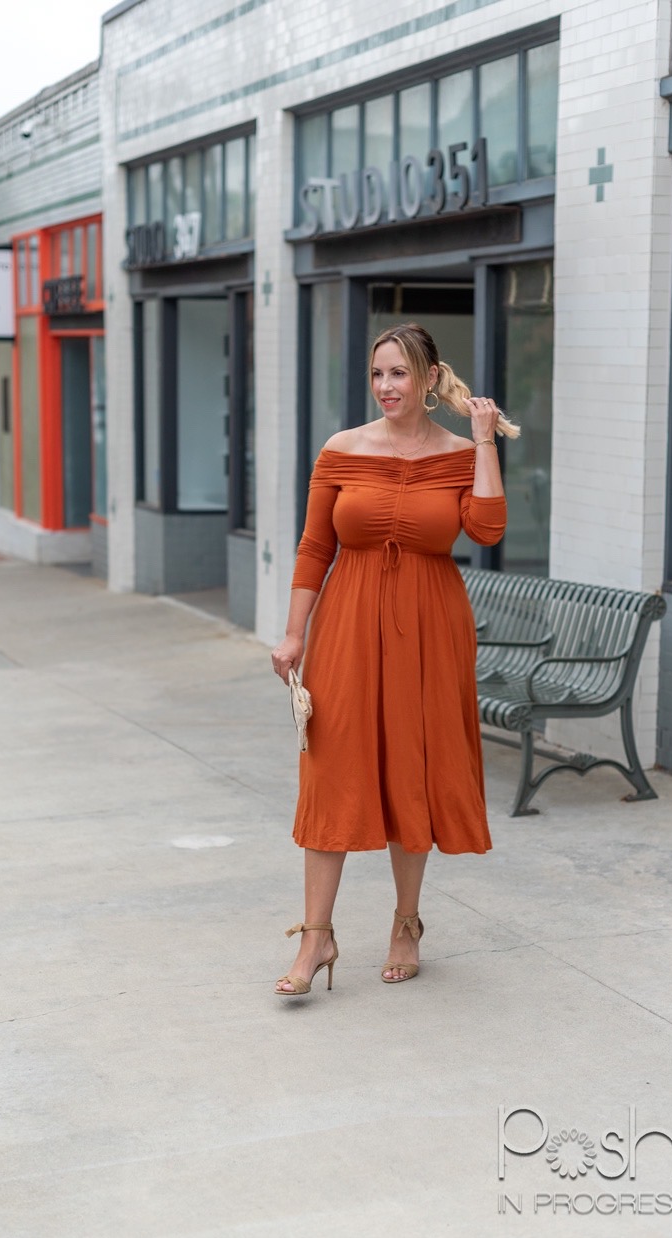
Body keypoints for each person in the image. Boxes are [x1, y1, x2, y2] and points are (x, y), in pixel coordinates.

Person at [271, 322, 516, 996]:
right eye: (378, 374)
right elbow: (314, 547)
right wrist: (294, 635)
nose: (386, 386)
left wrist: (484, 440)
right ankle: (316, 938)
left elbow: (489, 528)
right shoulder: (341, 450)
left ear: (430, 378)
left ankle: (406, 923)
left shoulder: (459, 452)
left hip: (431, 628)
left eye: (400, 374)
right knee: (332, 770)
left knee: (413, 769)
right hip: (346, 626)